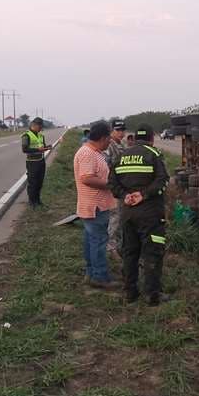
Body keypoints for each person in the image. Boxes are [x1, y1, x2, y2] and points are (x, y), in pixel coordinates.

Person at [109, 123, 169, 305]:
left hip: (127, 213)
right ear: (151, 139)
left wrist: (125, 195)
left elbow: (112, 184)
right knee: (153, 252)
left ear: (134, 138)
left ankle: (130, 293)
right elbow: (162, 181)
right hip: (150, 214)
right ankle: (152, 295)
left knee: (130, 252)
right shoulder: (154, 154)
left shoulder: (121, 156)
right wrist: (143, 195)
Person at [74, 121, 119, 289]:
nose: (110, 142)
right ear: (103, 137)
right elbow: (86, 178)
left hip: (97, 206)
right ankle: (100, 277)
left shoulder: (96, 152)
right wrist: (109, 185)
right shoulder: (87, 153)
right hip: (94, 207)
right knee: (99, 241)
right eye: (109, 138)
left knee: (91, 241)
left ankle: (92, 272)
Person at [105, 119, 126, 254]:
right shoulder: (109, 145)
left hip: (121, 185)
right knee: (115, 217)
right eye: (118, 130)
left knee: (119, 216)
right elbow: (106, 166)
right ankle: (110, 246)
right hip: (113, 186)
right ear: (112, 131)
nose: (121, 133)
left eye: (122, 130)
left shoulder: (120, 144)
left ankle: (117, 243)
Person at [21, 117, 52, 208]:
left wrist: (47, 147)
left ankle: (38, 201)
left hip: (41, 161)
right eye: (40, 126)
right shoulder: (26, 135)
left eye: (41, 127)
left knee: (39, 182)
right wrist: (38, 149)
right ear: (34, 125)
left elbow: (43, 147)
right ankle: (32, 202)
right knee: (33, 183)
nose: (41, 128)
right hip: (32, 162)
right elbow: (25, 149)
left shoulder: (41, 135)